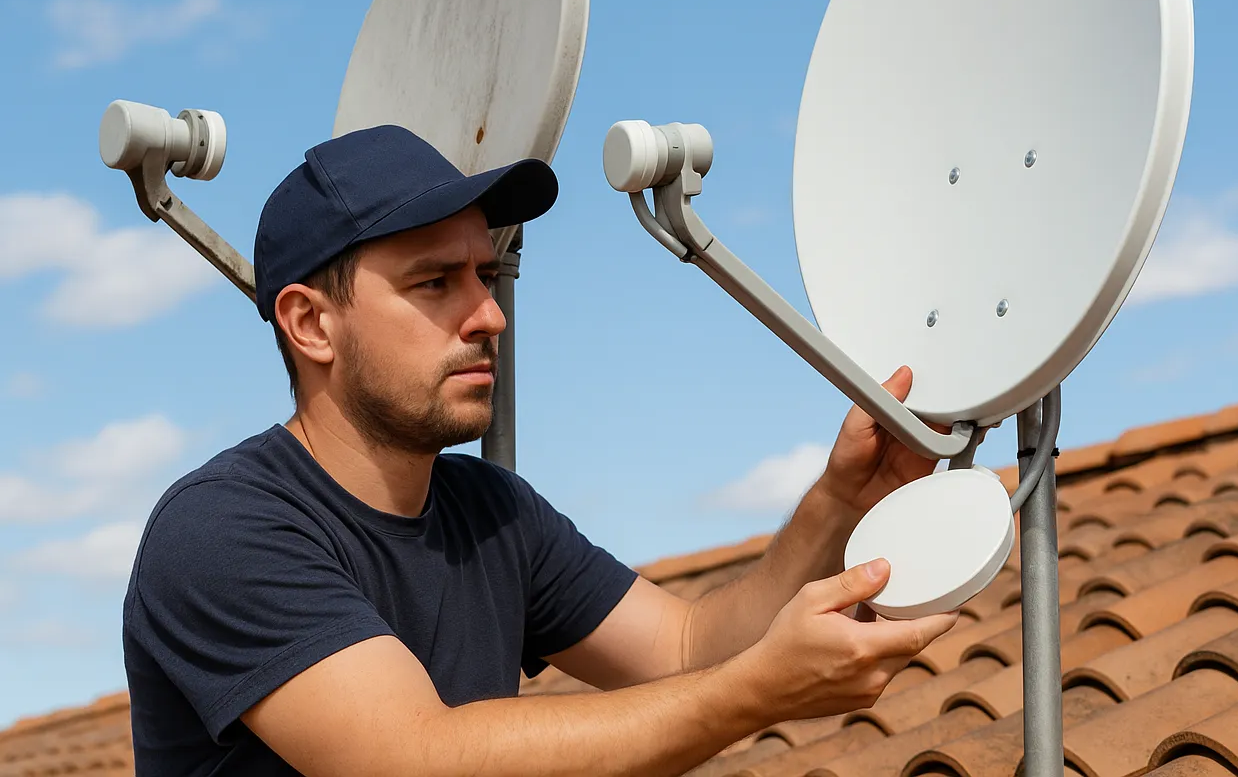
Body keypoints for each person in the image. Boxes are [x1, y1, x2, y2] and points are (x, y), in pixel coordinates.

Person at [123, 125, 958, 777]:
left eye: (484, 277)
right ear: (311, 324)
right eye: (434, 283)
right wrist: (752, 694)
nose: (489, 315)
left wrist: (840, 499)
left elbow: (686, 650)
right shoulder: (222, 529)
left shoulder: (492, 512)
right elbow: (413, 757)